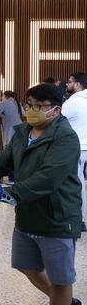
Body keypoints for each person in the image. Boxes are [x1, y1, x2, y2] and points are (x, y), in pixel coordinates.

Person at [0, 83, 85, 305]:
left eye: (39, 106)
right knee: (27, 266)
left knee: (61, 279)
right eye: (30, 104)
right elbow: (2, 162)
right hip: (28, 215)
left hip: (57, 217)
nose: (32, 110)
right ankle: (66, 303)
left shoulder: (66, 138)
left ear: (56, 110)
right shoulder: (23, 132)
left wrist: (13, 193)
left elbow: (49, 177)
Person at [63, 72, 87, 232]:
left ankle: (79, 220)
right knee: (79, 183)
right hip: (84, 147)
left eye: (70, 82)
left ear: (78, 85)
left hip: (74, 148)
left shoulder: (73, 102)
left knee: (74, 185)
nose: (67, 84)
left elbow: (55, 120)